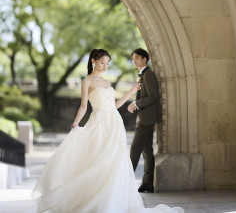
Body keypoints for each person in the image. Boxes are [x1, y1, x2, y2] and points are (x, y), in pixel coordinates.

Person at [33, 48, 183, 213]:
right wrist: (76, 122)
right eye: (102, 62)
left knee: (116, 161)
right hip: (98, 123)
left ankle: (113, 201)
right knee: (99, 160)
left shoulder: (107, 82)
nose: (105, 66)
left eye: (107, 63)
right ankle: (97, 199)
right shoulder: (87, 82)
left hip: (115, 125)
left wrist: (130, 92)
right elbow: (84, 106)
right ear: (93, 62)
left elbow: (114, 106)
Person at [127, 48, 162, 193]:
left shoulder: (149, 75)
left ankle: (126, 183)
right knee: (147, 151)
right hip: (144, 118)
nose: (134, 60)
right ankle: (147, 183)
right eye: (132, 58)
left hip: (147, 120)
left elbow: (153, 96)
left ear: (144, 59)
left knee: (134, 149)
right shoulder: (142, 75)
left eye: (136, 57)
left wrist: (135, 103)